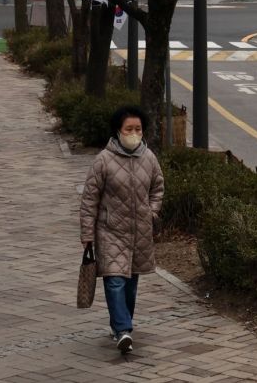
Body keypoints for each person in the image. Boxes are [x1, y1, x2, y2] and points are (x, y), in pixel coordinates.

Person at [80, 105, 164, 355]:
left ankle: (120, 325)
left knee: (131, 283)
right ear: (118, 130)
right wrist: (87, 235)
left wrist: (152, 212)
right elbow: (89, 199)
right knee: (115, 281)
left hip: (139, 232)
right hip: (110, 231)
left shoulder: (149, 158)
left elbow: (158, 188)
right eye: (129, 129)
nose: (134, 133)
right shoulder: (103, 161)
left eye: (138, 129)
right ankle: (123, 329)